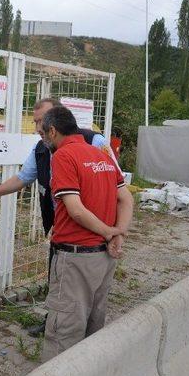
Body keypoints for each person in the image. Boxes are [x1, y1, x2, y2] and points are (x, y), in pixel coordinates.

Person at [0, 97, 113, 337]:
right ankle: (55, 320)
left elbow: (114, 187)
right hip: (62, 232)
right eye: (36, 121)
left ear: (58, 119)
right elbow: (22, 178)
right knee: (59, 280)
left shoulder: (94, 142)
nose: (39, 128)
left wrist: (113, 231)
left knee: (91, 292)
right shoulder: (41, 149)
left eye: (43, 121)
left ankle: (78, 339)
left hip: (94, 234)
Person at [39, 105, 133, 361]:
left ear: (53, 131)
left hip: (76, 258)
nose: (42, 139)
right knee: (93, 324)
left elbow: (75, 210)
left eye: (42, 133)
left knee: (64, 332)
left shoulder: (63, 156)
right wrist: (118, 234)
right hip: (104, 259)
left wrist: (109, 232)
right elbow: (126, 199)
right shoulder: (101, 155)